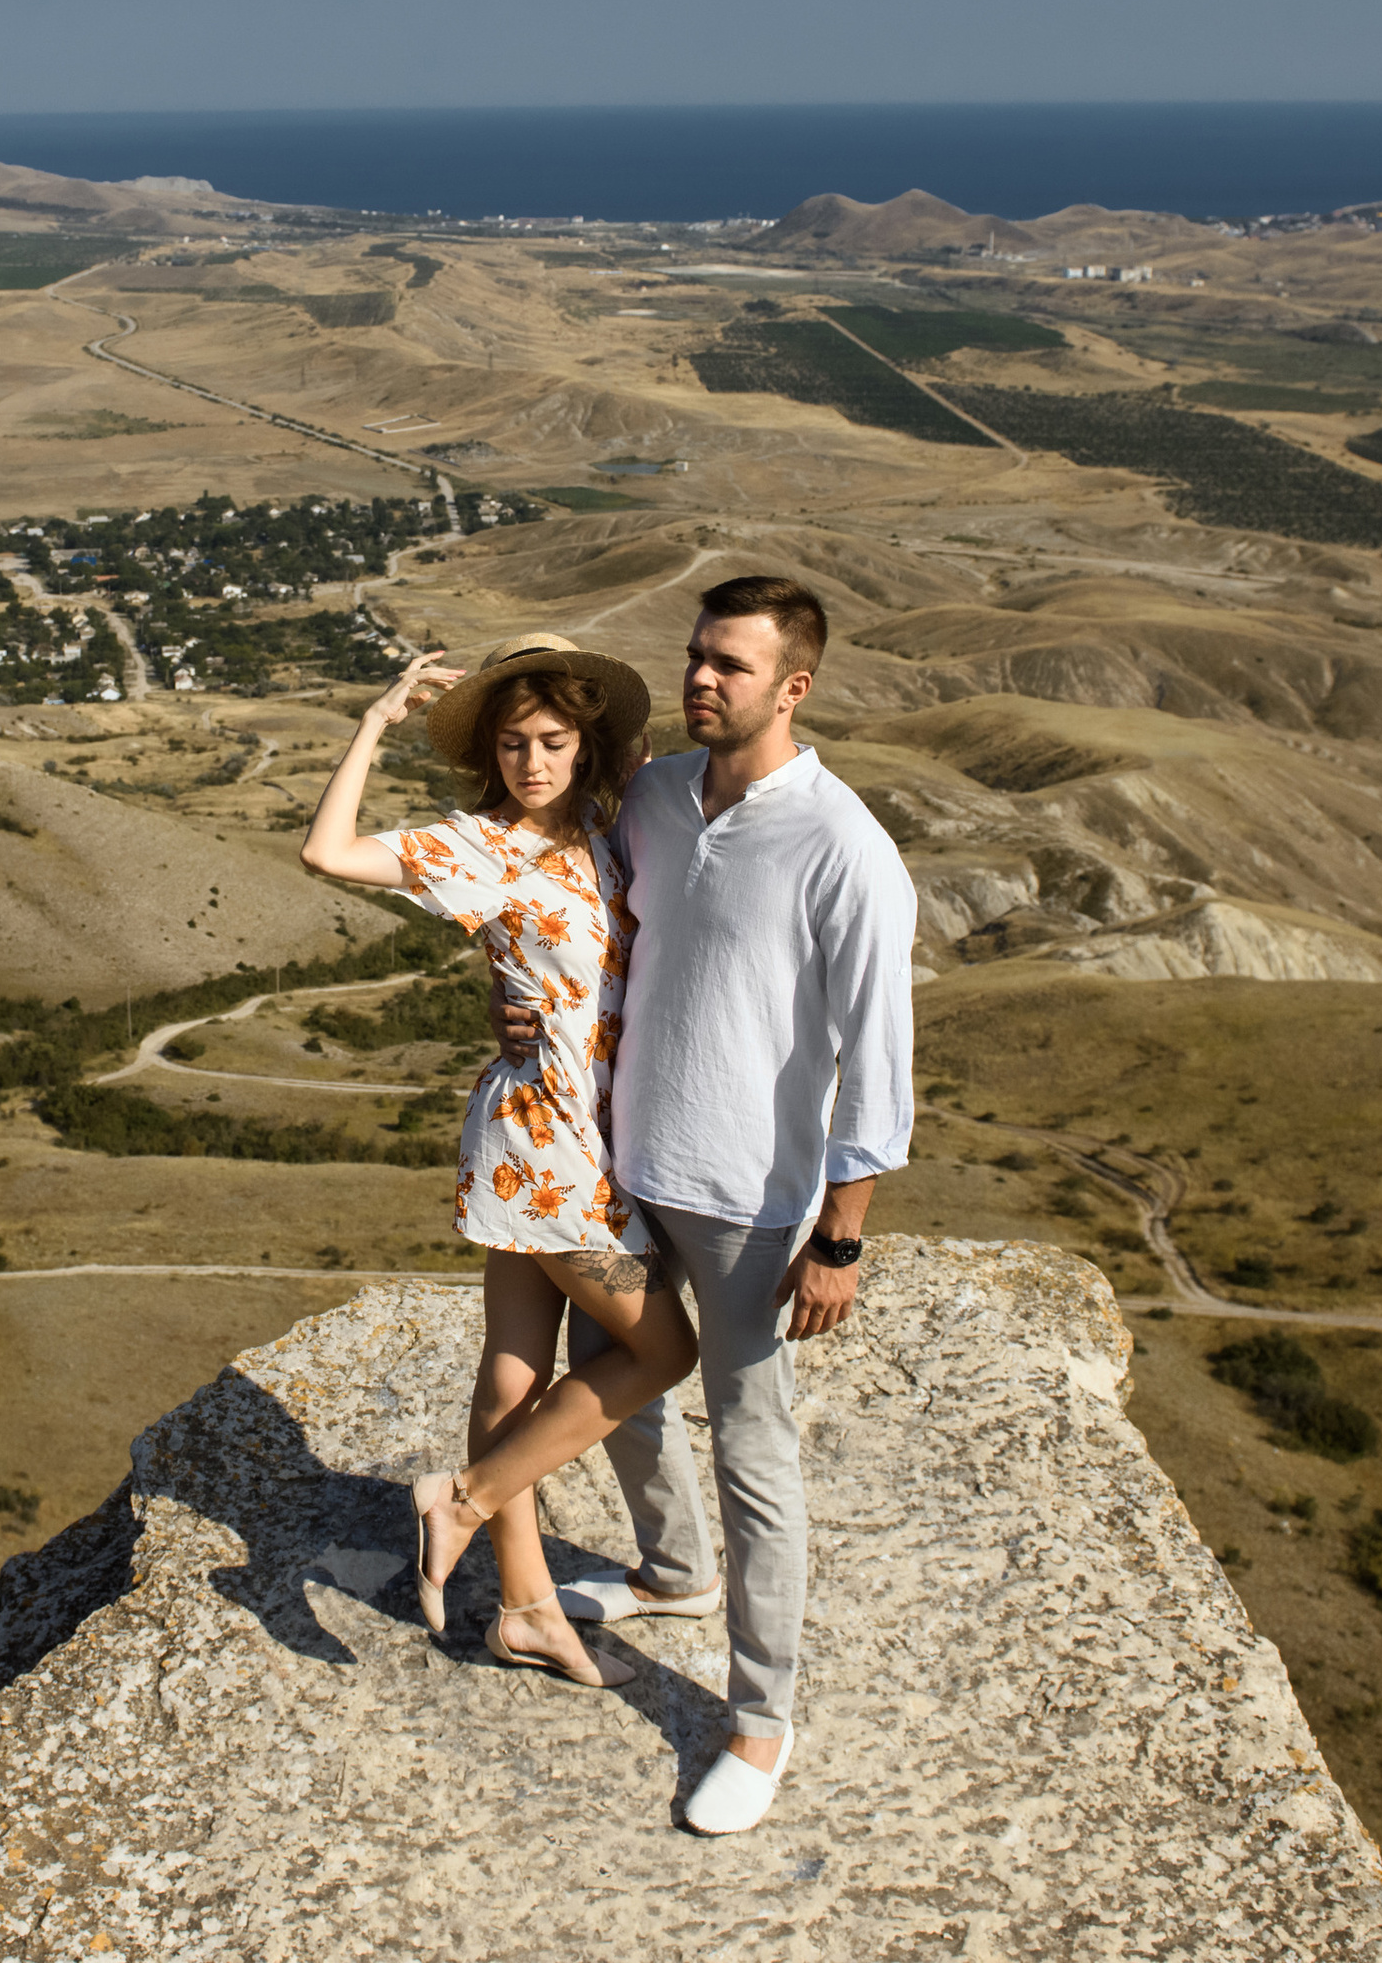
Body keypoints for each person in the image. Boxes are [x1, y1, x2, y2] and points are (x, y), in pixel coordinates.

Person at [490, 574, 916, 1833]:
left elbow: (877, 1062)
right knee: (610, 1387)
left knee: (754, 1451)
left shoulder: (844, 847)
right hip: (622, 1166)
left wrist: (839, 1235)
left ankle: (759, 1721)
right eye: (693, 657)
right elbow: (576, 920)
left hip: (747, 1203)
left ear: (794, 687)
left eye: (730, 664)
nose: (700, 679)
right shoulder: (661, 798)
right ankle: (671, 1573)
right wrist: (516, 1002)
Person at [300, 633, 698, 1690]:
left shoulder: (609, 832)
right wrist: (376, 722)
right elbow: (327, 854)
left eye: (553, 739)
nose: (532, 760)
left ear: (584, 744)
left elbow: (640, 737)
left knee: (515, 1371)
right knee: (665, 1351)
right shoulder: (478, 845)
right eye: (513, 742)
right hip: (542, 1142)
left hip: (571, 1133)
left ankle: (523, 1608)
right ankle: (464, 1500)